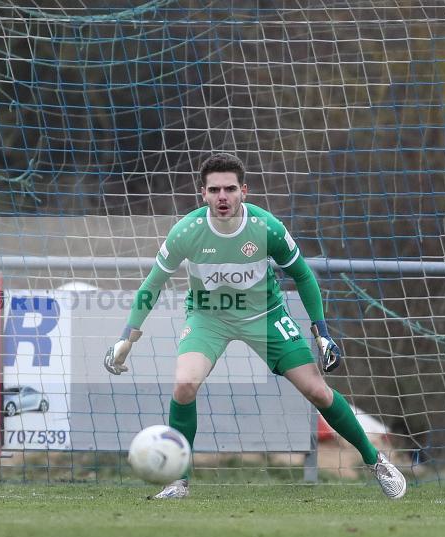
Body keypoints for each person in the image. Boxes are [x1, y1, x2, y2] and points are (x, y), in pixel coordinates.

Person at [104, 153, 406, 500]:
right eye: (214, 189)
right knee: (184, 385)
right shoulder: (186, 231)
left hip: (266, 316)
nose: (222, 197)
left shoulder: (267, 228)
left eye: (230, 189)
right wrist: (128, 336)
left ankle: (376, 461)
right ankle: (179, 481)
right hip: (208, 317)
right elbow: (152, 285)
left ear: (243, 191)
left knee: (318, 392)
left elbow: (303, 276)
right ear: (202, 194)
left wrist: (322, 332)